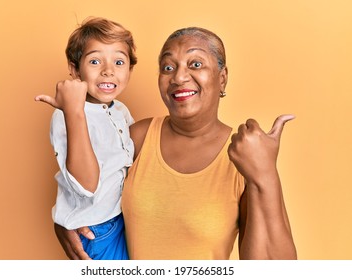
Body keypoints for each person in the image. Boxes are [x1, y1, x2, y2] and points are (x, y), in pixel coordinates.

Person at [52, 26, 297, 260]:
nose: (179, 77)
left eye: (196, 64)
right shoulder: (137, 136)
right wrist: (66, 222)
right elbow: (85, 188)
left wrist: (265, 175)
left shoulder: (244, 156)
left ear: (222, 78)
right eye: (168, 67)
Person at [35, 17, 137, 260]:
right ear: (74, 68)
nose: (108, 70)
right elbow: (87, 186)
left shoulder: (119, 110)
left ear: (130, 70)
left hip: (123, 219)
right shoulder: (68, 115)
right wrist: (73, 111)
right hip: (97, 230)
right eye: (94, 61)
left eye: (119, 62)